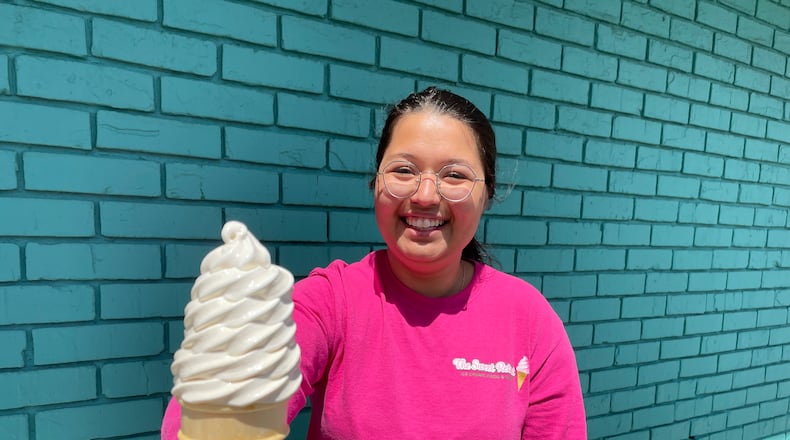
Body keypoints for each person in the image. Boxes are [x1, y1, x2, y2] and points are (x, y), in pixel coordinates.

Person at [162, 87, 587, 438]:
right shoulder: (330, 301)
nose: (424, 195)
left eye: (454, 175)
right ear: (375, 182)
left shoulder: (527, 317)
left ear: (486, 194)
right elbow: (219, 399)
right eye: (403, 170)